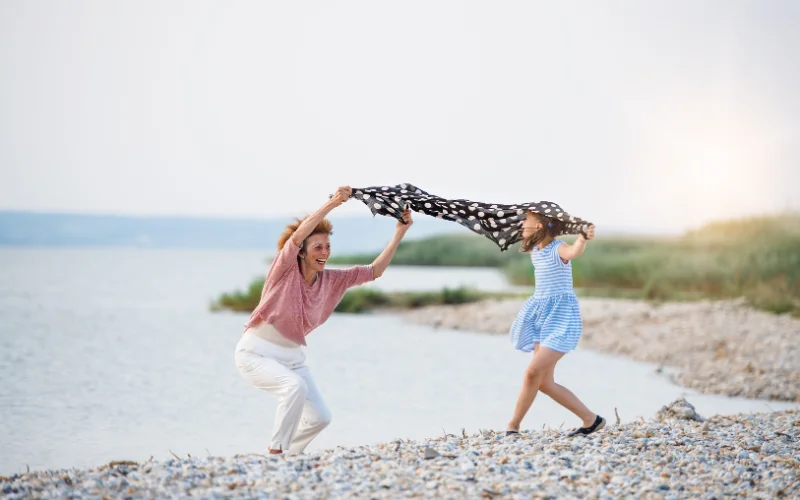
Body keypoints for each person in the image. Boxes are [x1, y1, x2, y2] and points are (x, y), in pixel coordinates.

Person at [234, 186, 413, 454]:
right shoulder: (284, 270)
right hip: (255, 354)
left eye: (328, 246)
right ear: (302, 252)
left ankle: (291, 455)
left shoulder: (332, 280)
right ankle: (275, 453)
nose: (325, 252)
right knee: (293, 387)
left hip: (293, 358)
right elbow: (297, 237)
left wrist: (400, 232)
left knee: (320, 417)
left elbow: (374, 271)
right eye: (318, 247)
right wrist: (332, 204)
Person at [506, 211, 605, 437]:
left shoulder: (557, 248)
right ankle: (592, 419)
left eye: (526, 221)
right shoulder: (535, 252)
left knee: (532, 372)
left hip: (561, 318)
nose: (522, 224)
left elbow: (573, 252)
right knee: (543, 382)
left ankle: (512, 425)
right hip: (541, 317)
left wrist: (582, 238)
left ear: (539, 226)